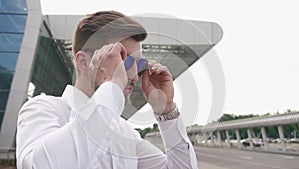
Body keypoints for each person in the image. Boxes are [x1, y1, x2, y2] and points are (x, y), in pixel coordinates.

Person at [16, 10, 198, 169]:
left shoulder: (125, 133)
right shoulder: (42, 109)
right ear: (84, 62)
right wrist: (113, 84)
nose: (135, 74)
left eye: (139, 63)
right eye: (124, 60)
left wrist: (166, 111)